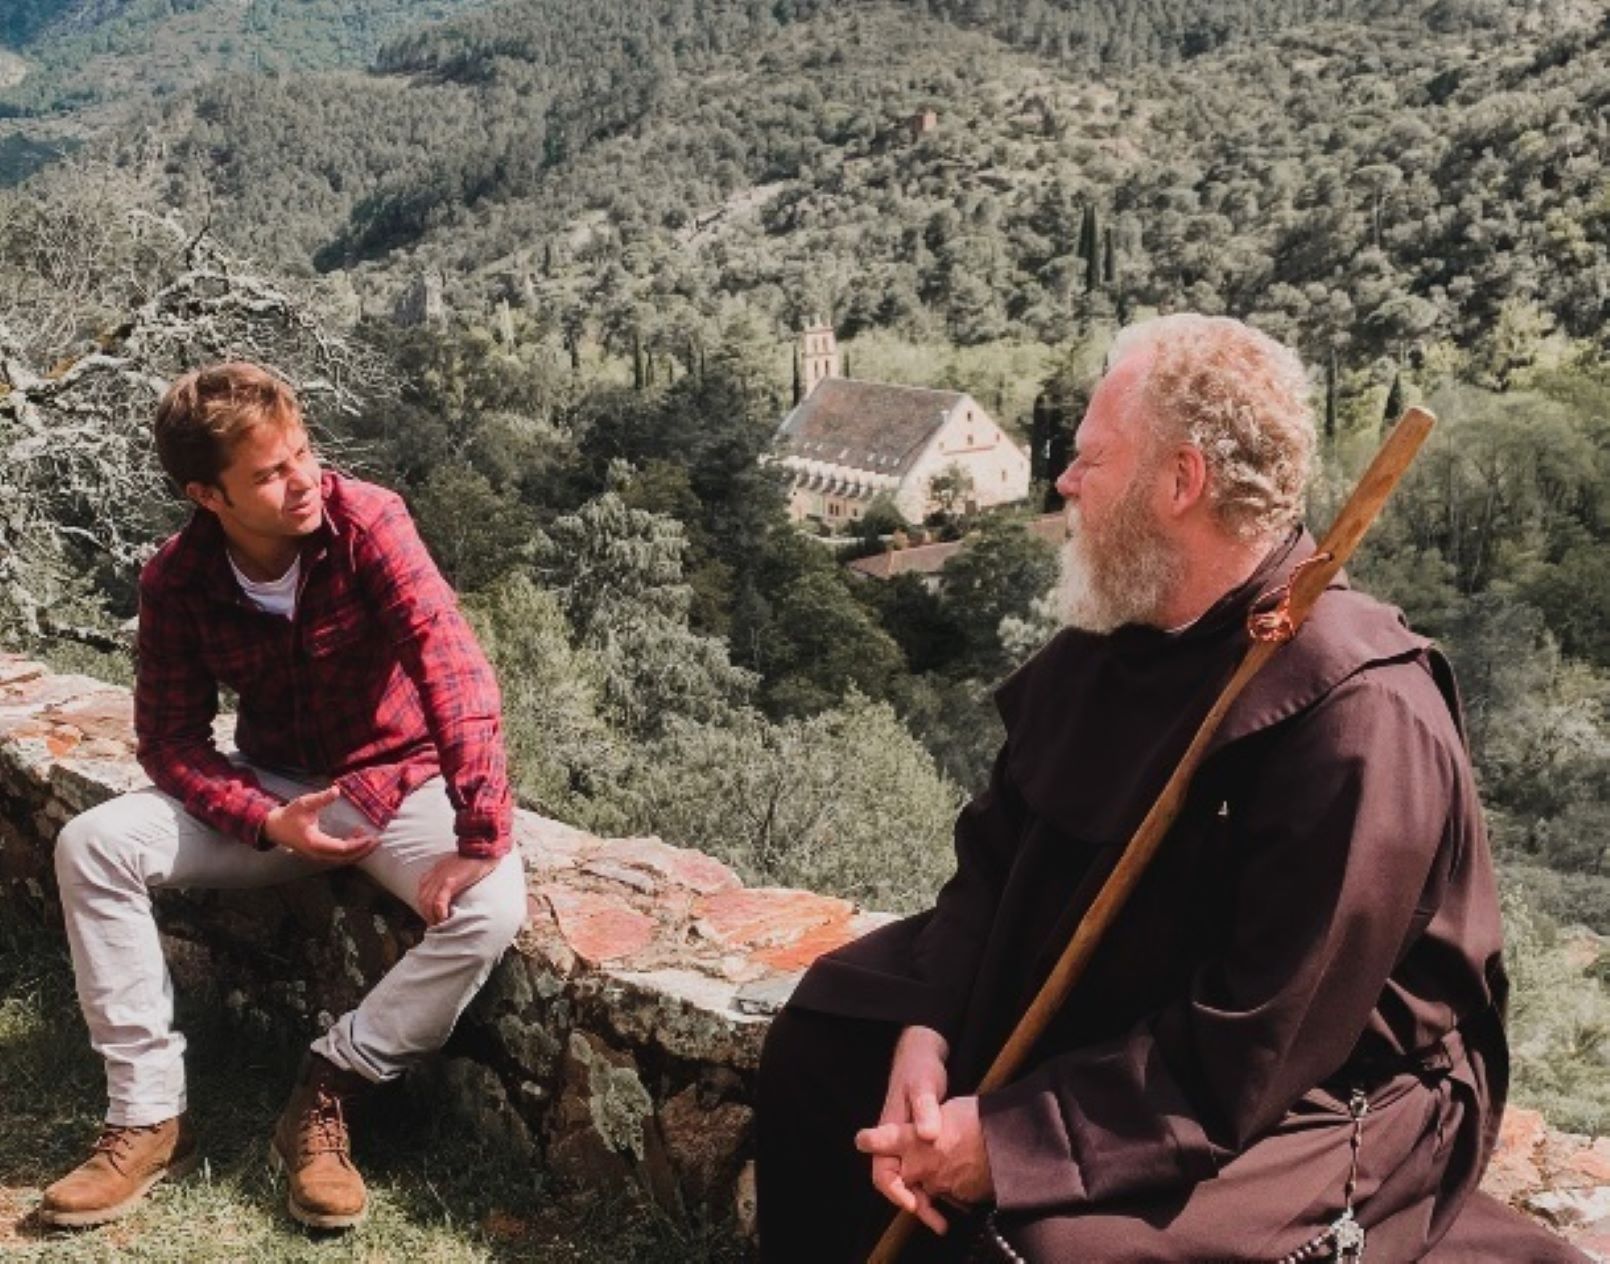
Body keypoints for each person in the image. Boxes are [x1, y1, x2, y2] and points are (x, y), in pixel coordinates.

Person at [756, 315, 1586, 1261]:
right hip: (1137, 999)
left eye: (1089, 460)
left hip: (1321, 1084)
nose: (1063, 481)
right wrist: (930, 1024)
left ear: (1181, 481)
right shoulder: (1122, 632)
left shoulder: (1361, 720)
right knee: (825, 1043)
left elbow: (1261, 1038)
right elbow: (994, 860)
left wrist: (1011, 1141)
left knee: (1058, 1246)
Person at [39, 362, 528, 1231]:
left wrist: (480, 827)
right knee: (91, 843)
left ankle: (330, 1088)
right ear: (207, 494)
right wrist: (263, 817)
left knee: (490, 906)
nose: (304, 480)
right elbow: (171, 742)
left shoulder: (367, 522)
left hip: (394, 779)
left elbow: (451, 668)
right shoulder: (177, 583)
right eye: (269, 472)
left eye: (303, 452)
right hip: (271, 794)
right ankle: (148, 1117)